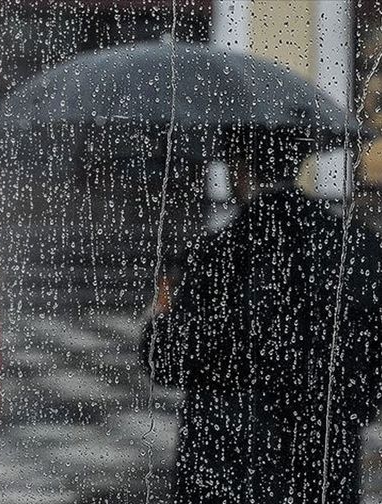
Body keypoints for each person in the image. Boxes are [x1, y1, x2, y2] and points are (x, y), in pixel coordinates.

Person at [140, 141, 382, 504]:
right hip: (324, 455)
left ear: (240, 170)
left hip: (222, 460)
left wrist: (160, 314)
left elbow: (167, 362)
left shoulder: (216, 253)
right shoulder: (358, 247)